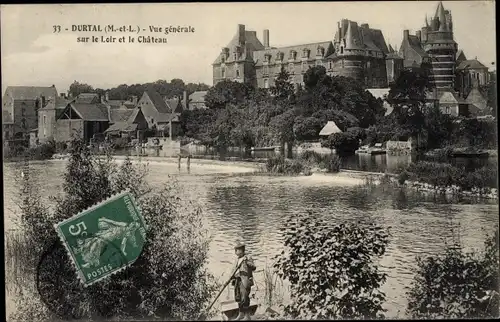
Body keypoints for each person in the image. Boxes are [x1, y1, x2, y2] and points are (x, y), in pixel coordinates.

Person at [230, 242, 256, 320]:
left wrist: (247, 262)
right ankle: (241, 314)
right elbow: (234, 270)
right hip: (237, 280)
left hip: (245, 280)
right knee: (238, 297)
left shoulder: (247, 258)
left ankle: (247, 316)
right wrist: (232, 277)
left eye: (237, 250)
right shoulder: (237, 259)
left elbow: (254, 267)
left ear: (242, 250)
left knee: (244, 297)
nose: (235, 252)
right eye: (235, 250)